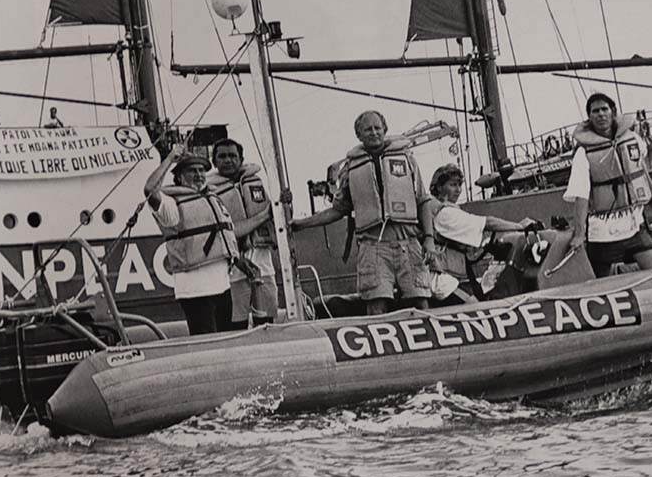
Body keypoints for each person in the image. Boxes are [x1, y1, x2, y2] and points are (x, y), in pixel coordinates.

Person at [290, 110, 436, 315]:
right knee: (376, 305)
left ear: (385, 129)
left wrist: (428, 239)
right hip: (372, 246)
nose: (374, 133)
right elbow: (338, 210)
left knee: (420, 300)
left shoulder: (407, 159)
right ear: (359, 135)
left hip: (408, 243)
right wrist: (302, 224)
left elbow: (423, 200)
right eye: (368, 129)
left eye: (377, 128)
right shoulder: (350, 168)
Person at [565, 92, 652, 278]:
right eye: (595, 111)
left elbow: (646, 182)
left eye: (604, 109)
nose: (600, 114)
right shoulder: (583, 154)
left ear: (613, 112)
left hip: (634, 225)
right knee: (601, 281)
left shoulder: (633, 140)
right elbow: (581, 196)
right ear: (589, 117)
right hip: (603, 233)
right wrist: (579, 234)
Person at [144, 147, 240, 335]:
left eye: (201, 170)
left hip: (222, 285)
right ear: (179, 177)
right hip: (195, 290)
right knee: (207, 346)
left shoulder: (212, 197)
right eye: (191, 170)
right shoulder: (171, 206)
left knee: (225, 341)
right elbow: (149, 189)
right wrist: (171, 157)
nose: (198, 174)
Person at [428, 163, 535, 303]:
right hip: (438, 278)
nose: (458, 190)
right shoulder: (445, 214)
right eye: (453, 185)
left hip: (443, 273)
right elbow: (487, 223)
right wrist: (519, 226)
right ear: (439, 187)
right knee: (474, 306)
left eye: (459, 185)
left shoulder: (437, 208)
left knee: (479, 293)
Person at [207, 138, 279, 329]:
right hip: (233, 271)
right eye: (222, 156)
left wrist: (286, 204)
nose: (228, 160)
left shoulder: (256, 183)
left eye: (232, 155)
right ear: (214, 161)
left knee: (266, 322)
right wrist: (264, 216)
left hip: (264, 265)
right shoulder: (210, 193)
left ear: (241, 159)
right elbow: (224, 234)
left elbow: (278, 218)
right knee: (235, 325)